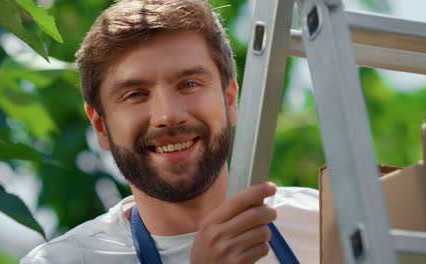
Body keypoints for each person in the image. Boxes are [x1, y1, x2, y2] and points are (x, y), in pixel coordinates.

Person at [21, 0, 319, 263]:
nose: (168, 116)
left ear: (230, 99)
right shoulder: (66, 260)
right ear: (101, 126)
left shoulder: (325, 224)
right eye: (135, 94)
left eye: (189, 84)